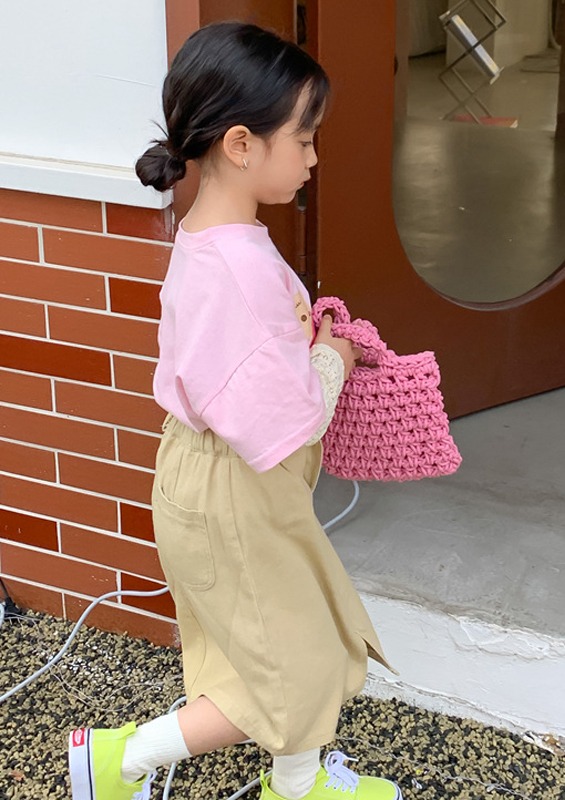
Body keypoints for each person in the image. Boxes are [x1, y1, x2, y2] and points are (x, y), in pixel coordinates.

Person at [67, 21, 400, 800]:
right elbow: (294, 413)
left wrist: (306, 341)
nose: (314, 158)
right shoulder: (237, 269)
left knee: (281, 645)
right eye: (306, 139)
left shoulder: (219, 237)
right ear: (242, 144)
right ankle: (121, 762)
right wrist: (335, 357)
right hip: (234, 491)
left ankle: (299, 779)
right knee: (285, 665)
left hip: (222, 479)